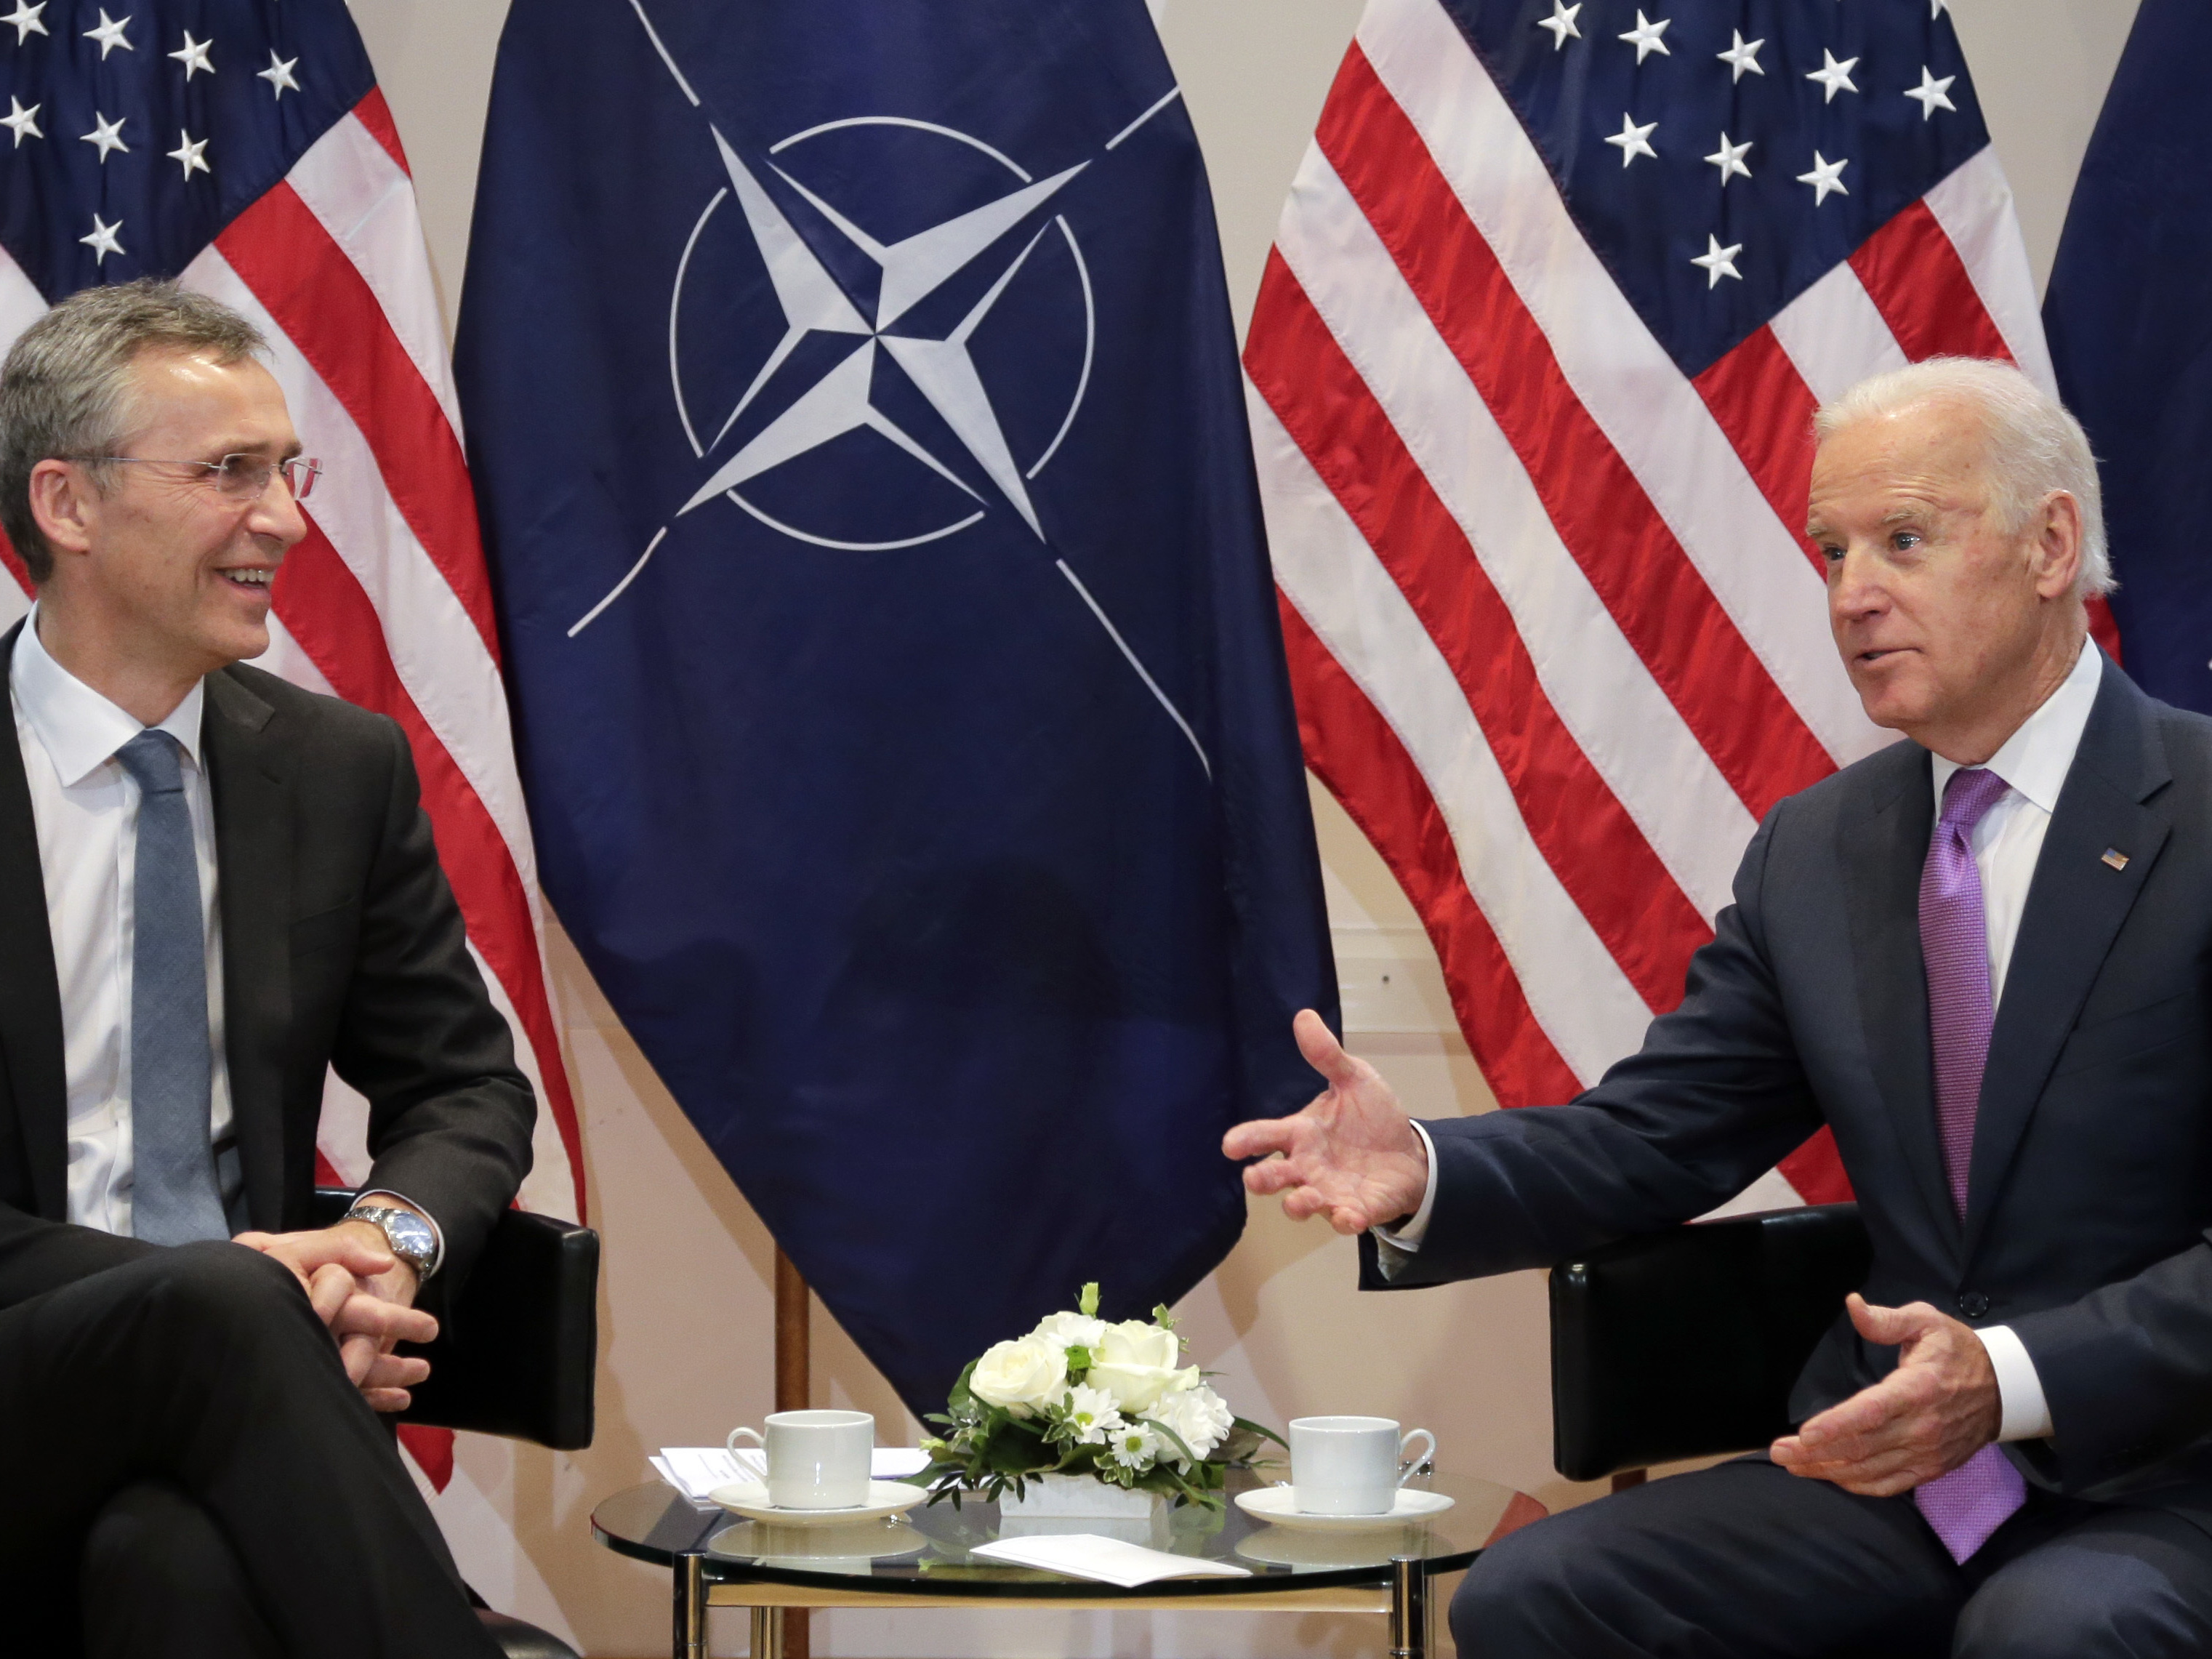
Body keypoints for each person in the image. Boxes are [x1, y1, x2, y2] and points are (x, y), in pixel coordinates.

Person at [1225, 357, 2212, 1657]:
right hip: (1898, 1476)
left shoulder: (2195, 811)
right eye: (1831, 549)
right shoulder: (1821, 848)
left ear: (2050, 545)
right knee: (1536, 1596)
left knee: (2049, 1634)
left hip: (2165, 1471)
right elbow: (1657, 1134)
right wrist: (1419, 1168)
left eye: (1903, 539)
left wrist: (2013, 1377)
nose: (1853, 594)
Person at [0, 280, 532, 1656]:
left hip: (236, 1374)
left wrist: (381, 1247)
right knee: (223, 1299)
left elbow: (467, 1084)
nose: (284, 518)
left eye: (286, 469)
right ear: (67, 503)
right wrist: (248, 1286)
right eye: (227, 472)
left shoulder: (336, 768)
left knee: (168, 1565)